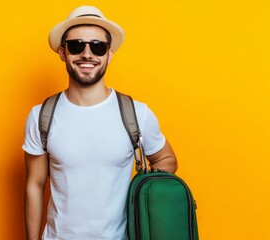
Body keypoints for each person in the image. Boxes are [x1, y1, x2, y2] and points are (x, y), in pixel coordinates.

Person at [23, 5, 178, 240]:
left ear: (109, 54)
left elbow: (167, 160)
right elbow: (34, 185)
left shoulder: (137, 114)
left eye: (98, 46)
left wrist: (137, 192)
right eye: (76, 46)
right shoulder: (41, 116)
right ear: (63, 53)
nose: (87, 54)